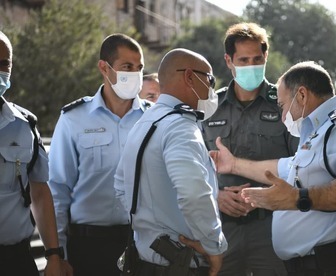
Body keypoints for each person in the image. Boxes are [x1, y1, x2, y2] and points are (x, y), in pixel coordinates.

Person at [212, 61, 336, 276]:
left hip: (329, 266)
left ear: (302, 95)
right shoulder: (320, 130)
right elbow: (284, 168)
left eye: (282, 105)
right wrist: (233, 164)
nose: (282, 113)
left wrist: (297, 198)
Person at [114, 48, 228, 276]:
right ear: (189, 77)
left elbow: (120, 186)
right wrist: (214, 246)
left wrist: (150, 227)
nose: (211, 88)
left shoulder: (145, 122)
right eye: (209, 79)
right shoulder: (180, 126)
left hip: (145, 258)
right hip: (179, 264)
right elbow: (194, 194)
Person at [201, 22, 298, 276]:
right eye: (243, 60)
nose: (251, 66)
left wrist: (263, 197)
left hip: (271, 227)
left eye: (257, 59)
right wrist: (216, 196)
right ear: (228, 61)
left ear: (266, 57)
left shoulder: (284, 104)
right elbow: (194, 167)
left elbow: (301, 165)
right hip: (221, 227)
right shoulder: (210, 107)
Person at [48, 33, 150, 276]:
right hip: (89, 247)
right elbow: (58, 190)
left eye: (139, 68)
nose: (135, 74)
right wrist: (56, 253)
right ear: (104, 68)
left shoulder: (153, 119)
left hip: (144, 244)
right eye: (127, 67)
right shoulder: (74, 119)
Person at [0, 31, 69, 275]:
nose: (0, 70)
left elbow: (39, 193)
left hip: (15, 259)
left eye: (4, 63)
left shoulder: (24, 124)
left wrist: (53, 255)